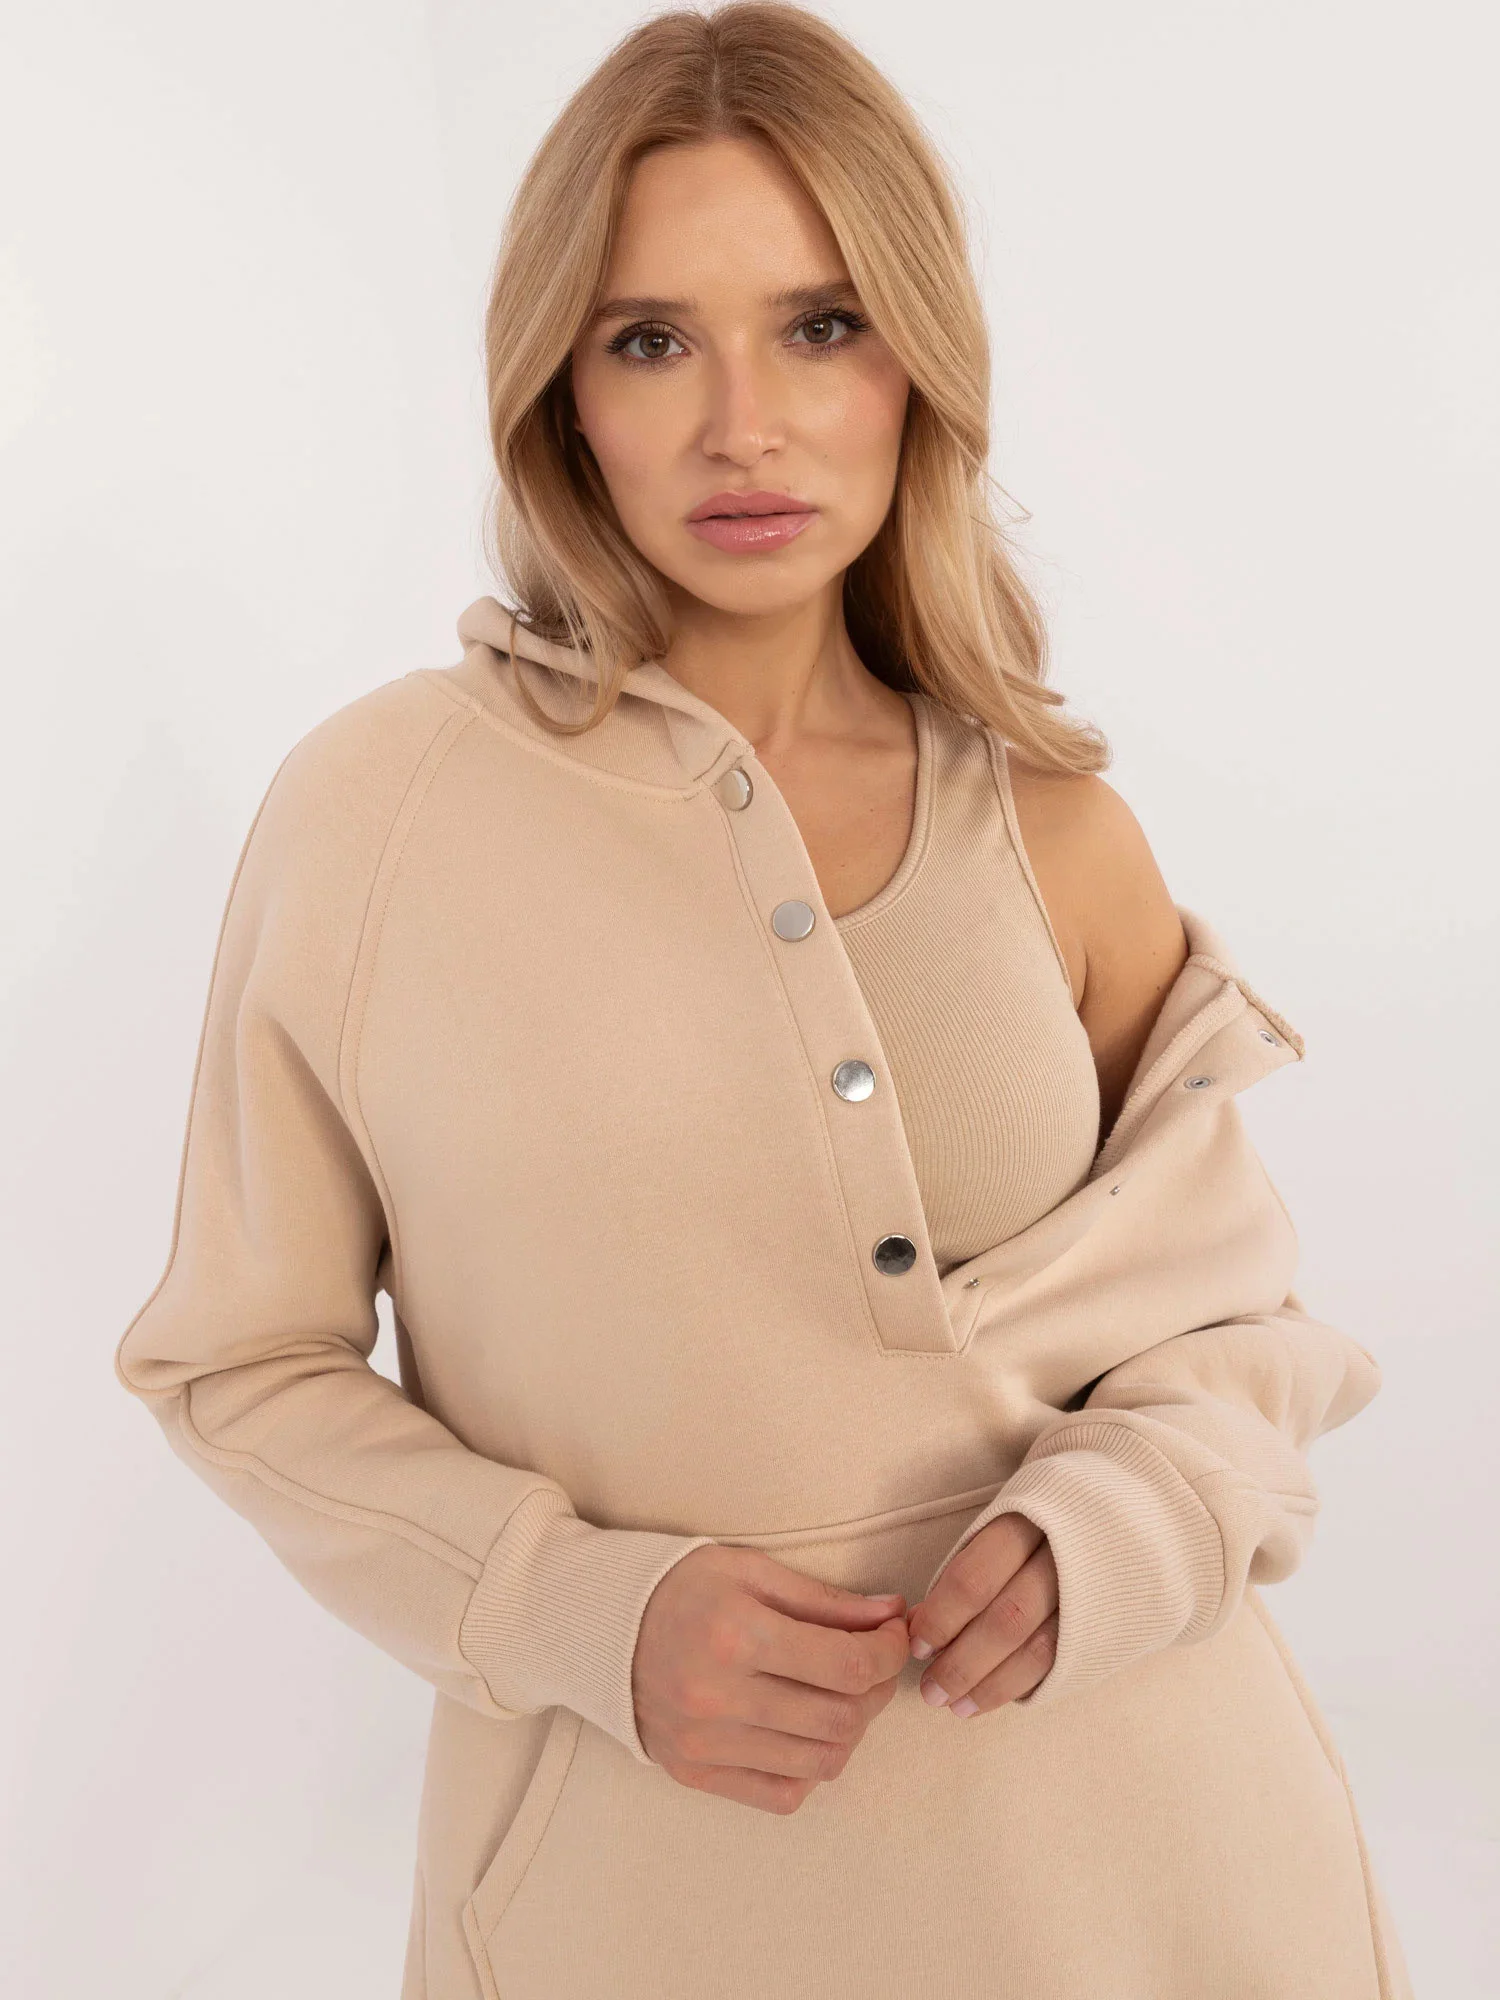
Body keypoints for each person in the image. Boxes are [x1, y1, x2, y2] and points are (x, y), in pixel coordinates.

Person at [114, 6, 1413, 1995]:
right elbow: (236, 1362)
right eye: (653, 339)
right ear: (562, 393)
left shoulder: (1054, 825)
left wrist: (1128, 1521)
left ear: (918, 365)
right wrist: (580, 1610)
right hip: (639, 1918)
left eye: (821, 326)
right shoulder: (378, 819)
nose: (746, 424)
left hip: (1165, 1892)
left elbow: (1243, 1333)